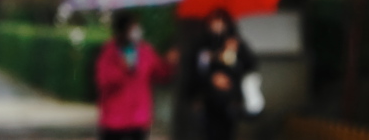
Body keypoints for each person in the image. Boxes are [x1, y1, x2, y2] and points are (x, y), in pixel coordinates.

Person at [95, 11, 178, 140]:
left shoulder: (145, 51)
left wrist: (170, 62)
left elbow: (161, 74)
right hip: (114, 120)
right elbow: (104, 81)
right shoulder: (109, 53)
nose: (136, 30)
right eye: (133, 27)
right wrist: (123, 69)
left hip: (138, 119)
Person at [189, 9, 257, 140]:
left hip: (230, 100)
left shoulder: (234, 42)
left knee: (228, 133)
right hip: (208, 100)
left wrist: (235, 52)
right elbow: (195, 71)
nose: (217, 24)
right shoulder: (202, 44)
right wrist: (211, 79)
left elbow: (249, 65)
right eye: (214, 20)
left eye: (220, 20)